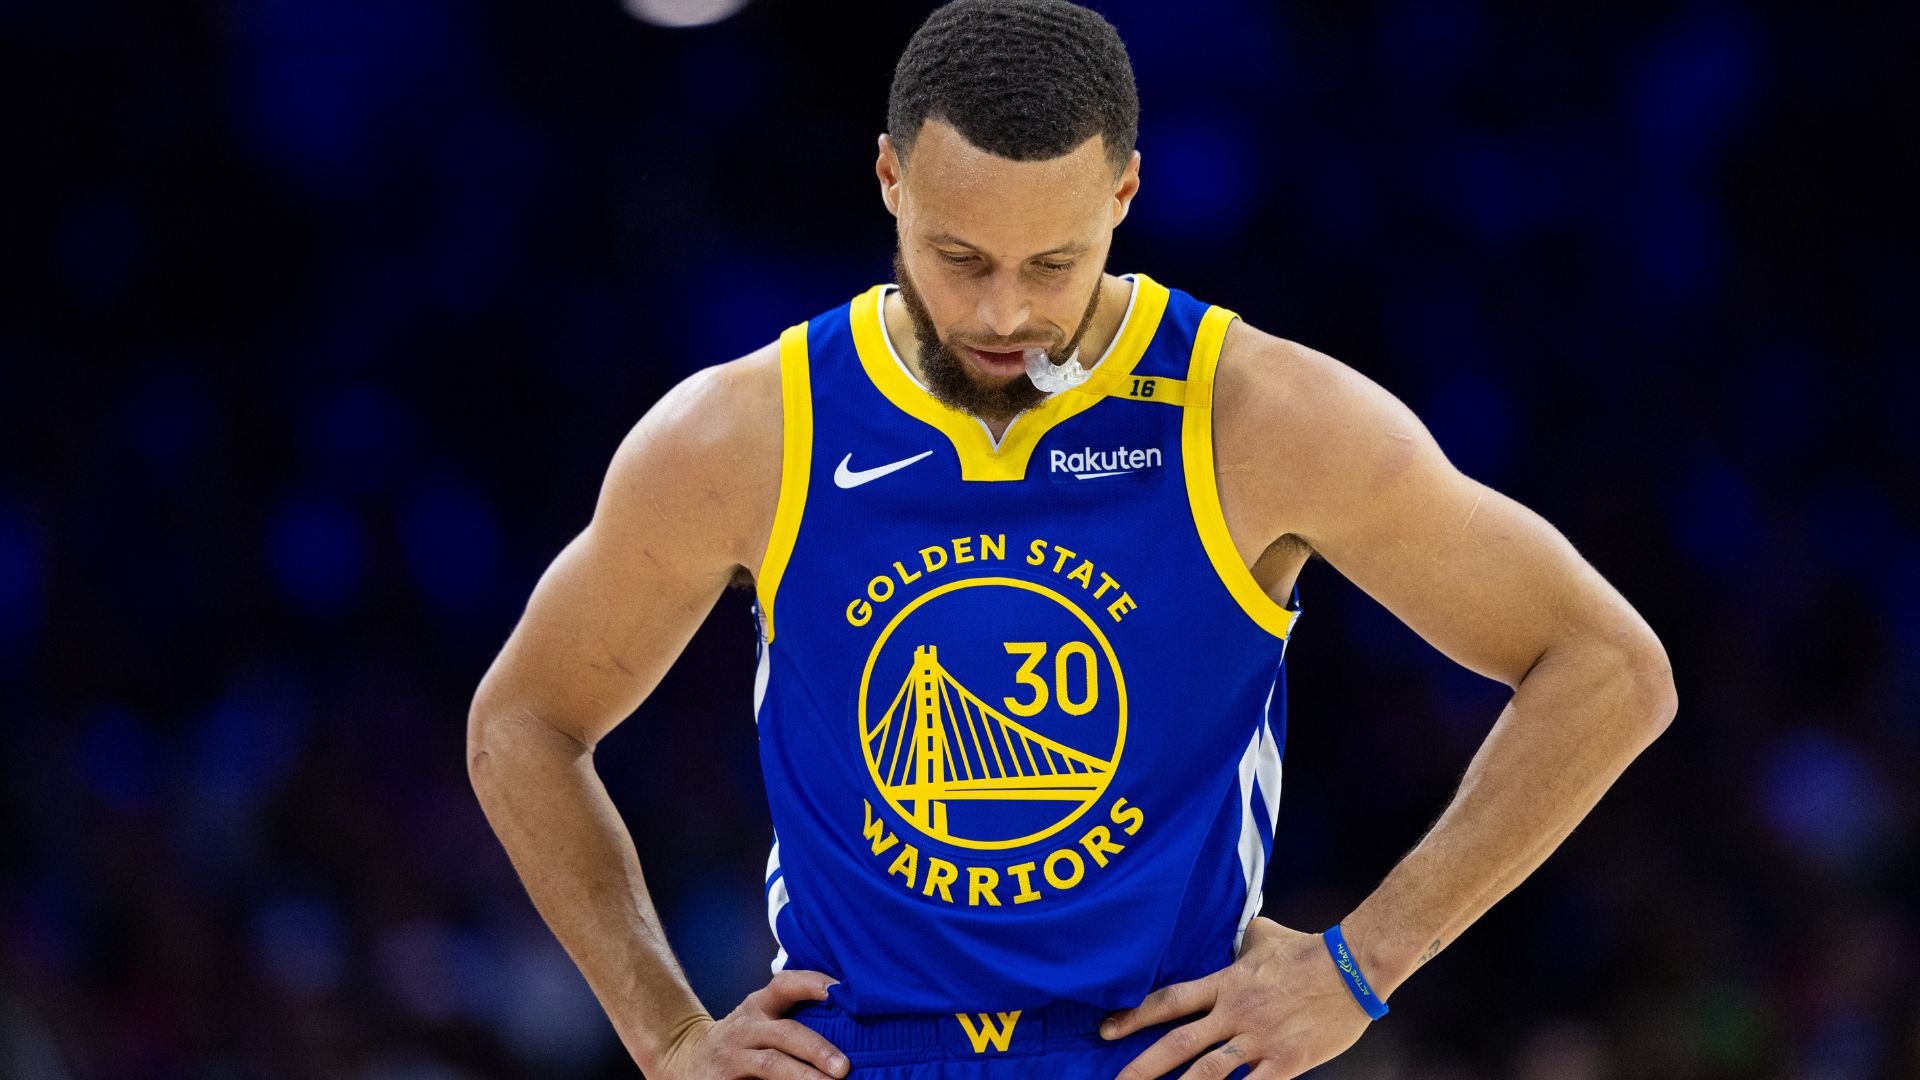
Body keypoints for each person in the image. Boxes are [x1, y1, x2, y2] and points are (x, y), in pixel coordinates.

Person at [465, 1, 1678, 1077]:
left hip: (1161, 1047)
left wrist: (1362, 967)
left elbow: (1610, 669)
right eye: (960, 258)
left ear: (1124, 197)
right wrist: (669, 1036)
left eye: (1054, 263)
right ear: (890, 180)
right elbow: (522, 724)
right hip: (860, 1050)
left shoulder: (1256, 415)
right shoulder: (748, 434)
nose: (1004, 311)